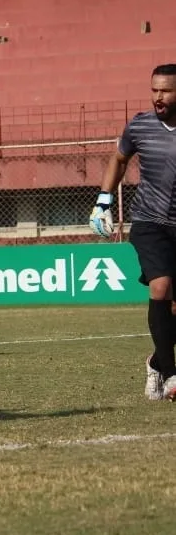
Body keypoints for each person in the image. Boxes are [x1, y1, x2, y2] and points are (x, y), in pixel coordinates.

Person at [90, 63, 176, 400]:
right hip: (150, 222)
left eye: (166, 90)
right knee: (161, 285)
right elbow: (119, 159)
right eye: (154, 89)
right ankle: (171, 376)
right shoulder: (140, 125)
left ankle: (156, 362)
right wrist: (102, 202)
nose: (158, 96)